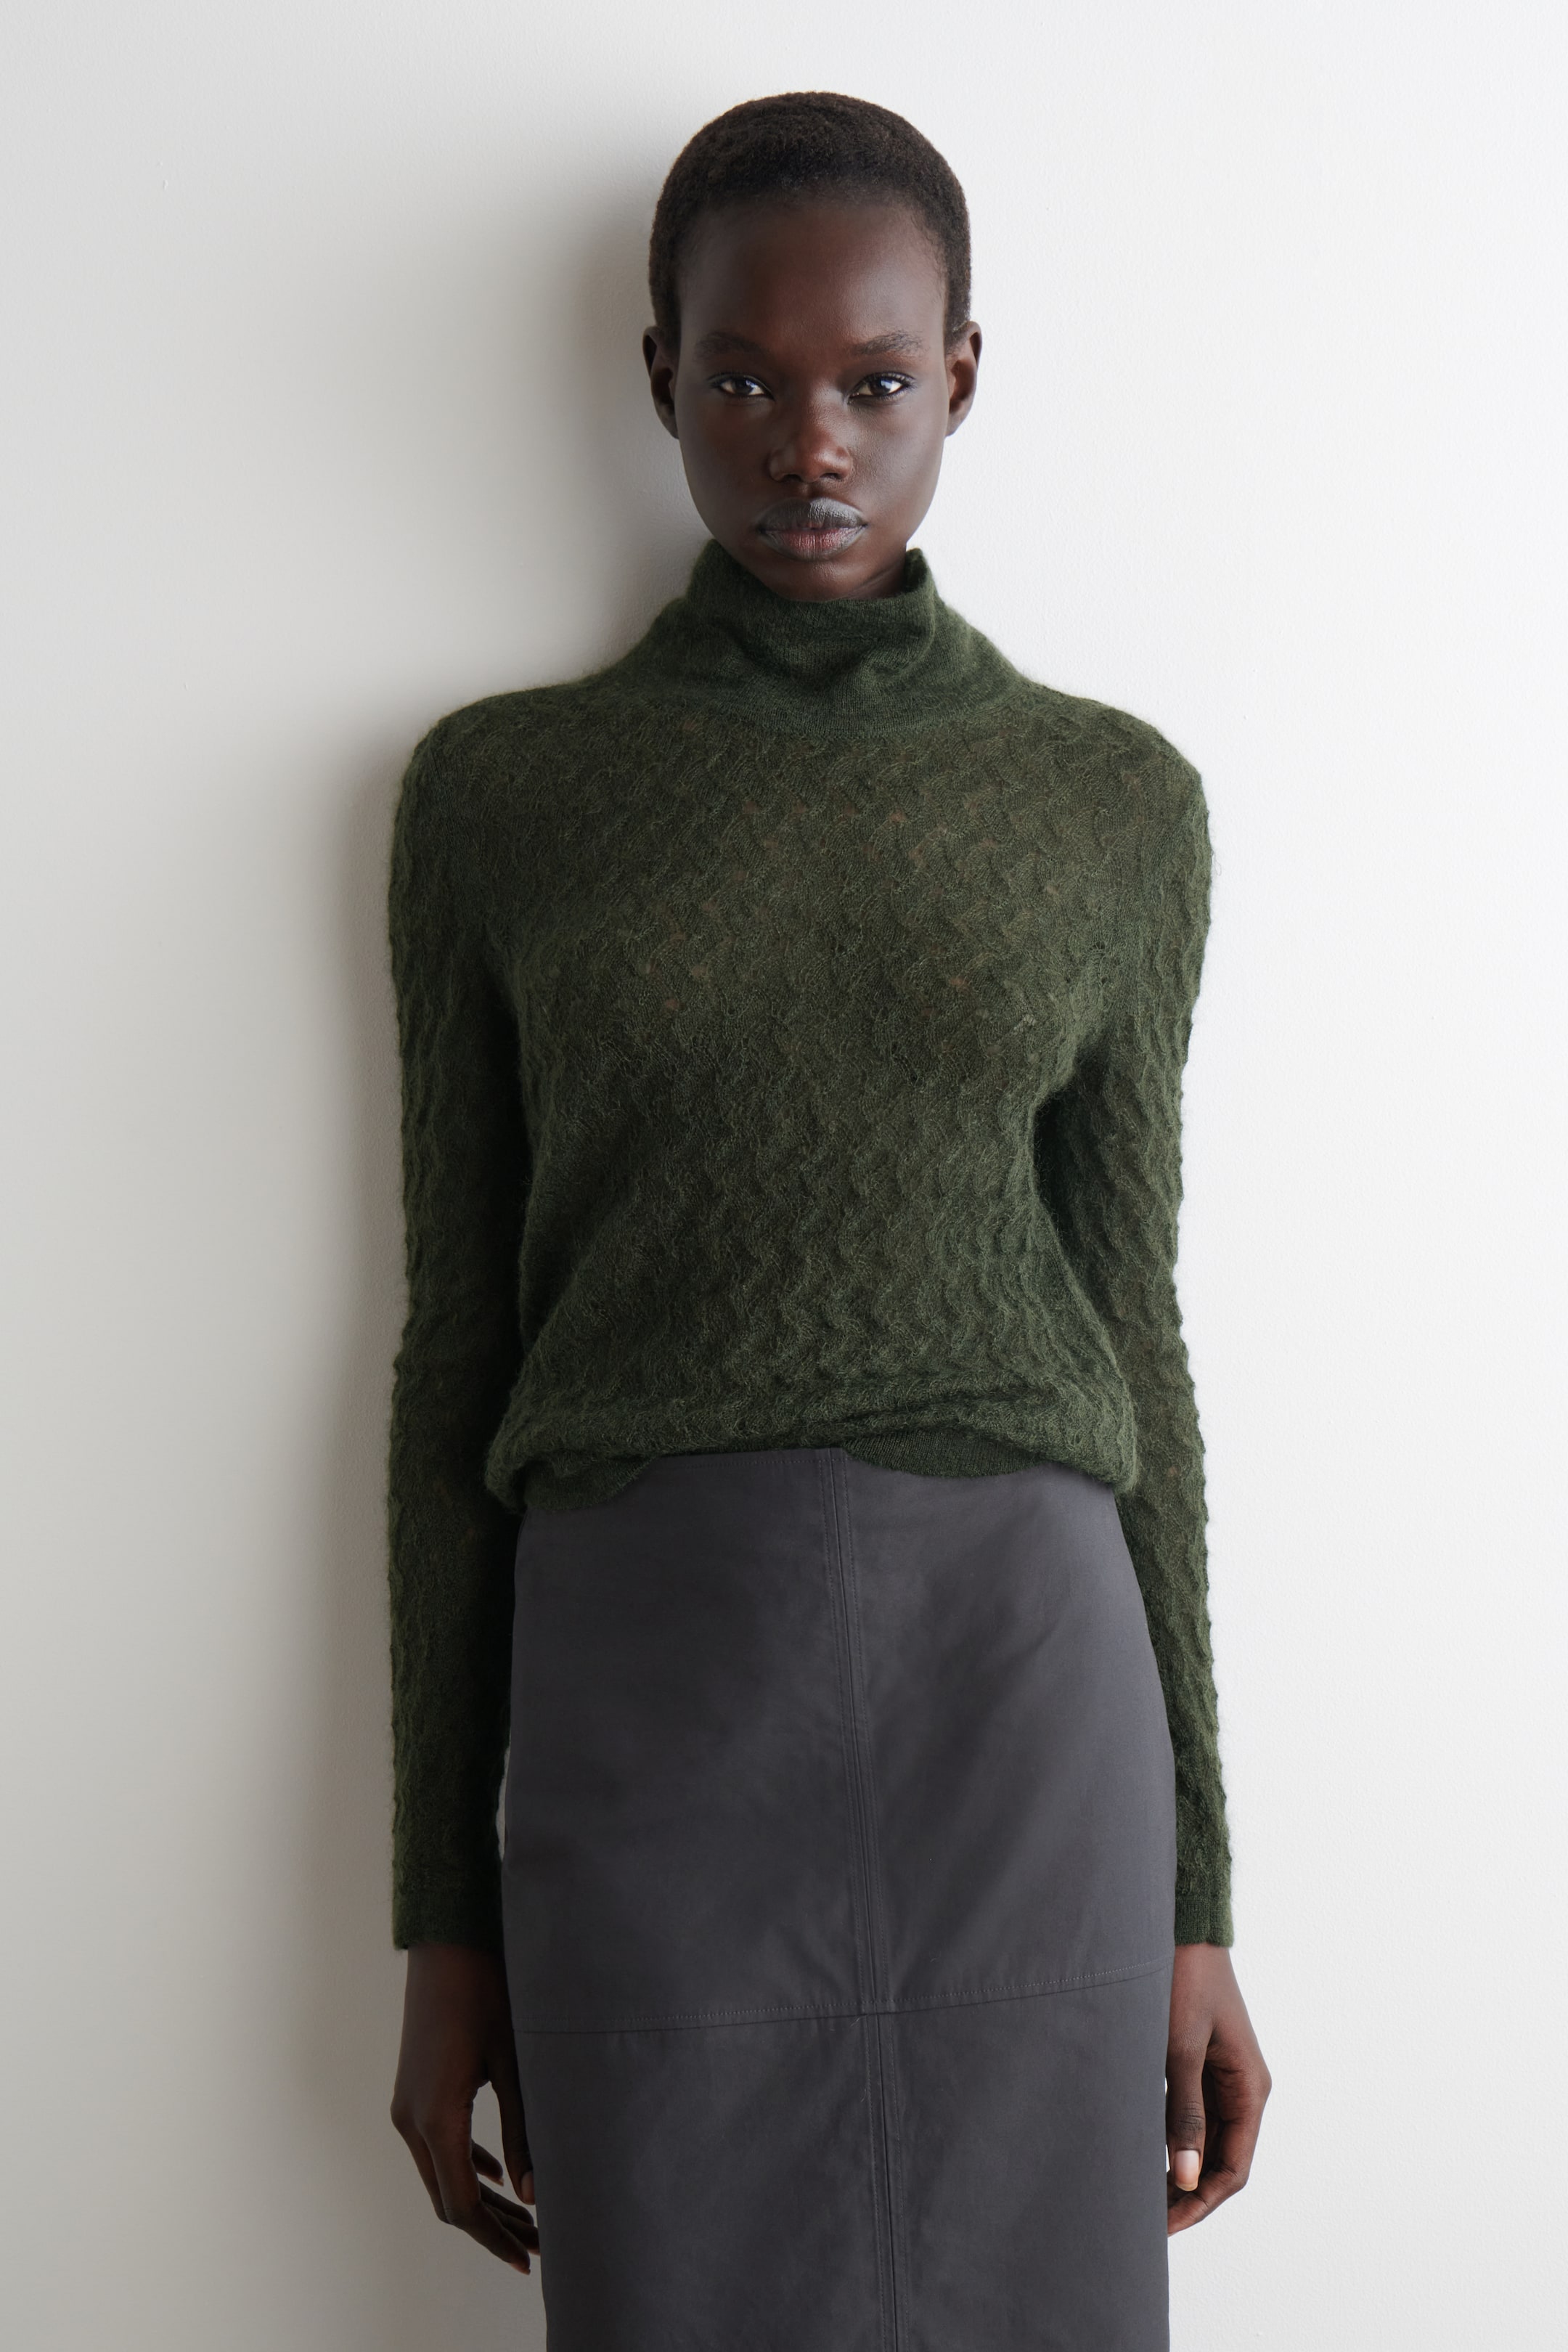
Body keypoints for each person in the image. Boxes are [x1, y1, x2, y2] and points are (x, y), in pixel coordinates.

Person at [387, 89, 1270, 2351]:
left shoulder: (1111, 802)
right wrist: (441, 1921)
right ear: (657, 377)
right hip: (649, 1675)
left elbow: (1136, 1336)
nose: (811, 444)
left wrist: (1196, 1893)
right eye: (745, 381)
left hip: (1023, 1688)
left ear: (961, 375)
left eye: (875, 382)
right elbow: (456, 1349)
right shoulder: (502, 798)